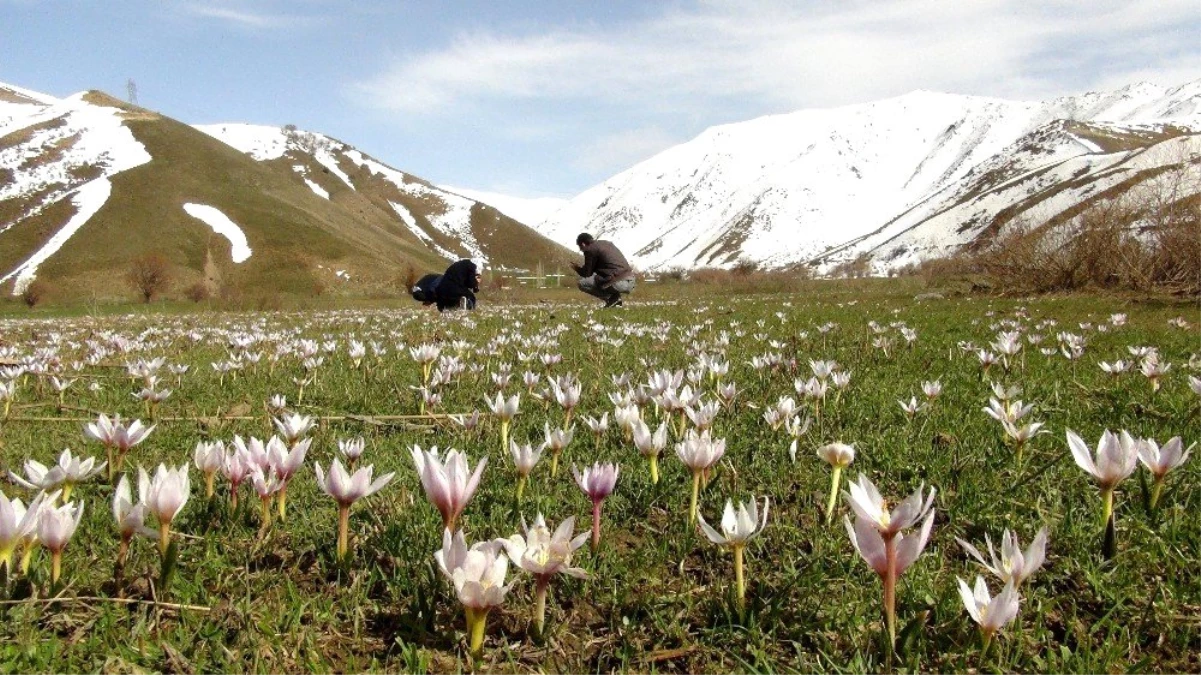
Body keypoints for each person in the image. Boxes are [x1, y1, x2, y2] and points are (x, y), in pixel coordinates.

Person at [571, 233, 634, 308]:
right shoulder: (607, 243)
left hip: (618, 282)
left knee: (582, 283)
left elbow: (586, 273)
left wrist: (576, 268)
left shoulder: (589, 250)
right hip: (631, 280)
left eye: (580, 246)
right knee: (597, 276)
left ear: (583, 244)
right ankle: (615, 300)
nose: (580, 249)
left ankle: (612, 299)